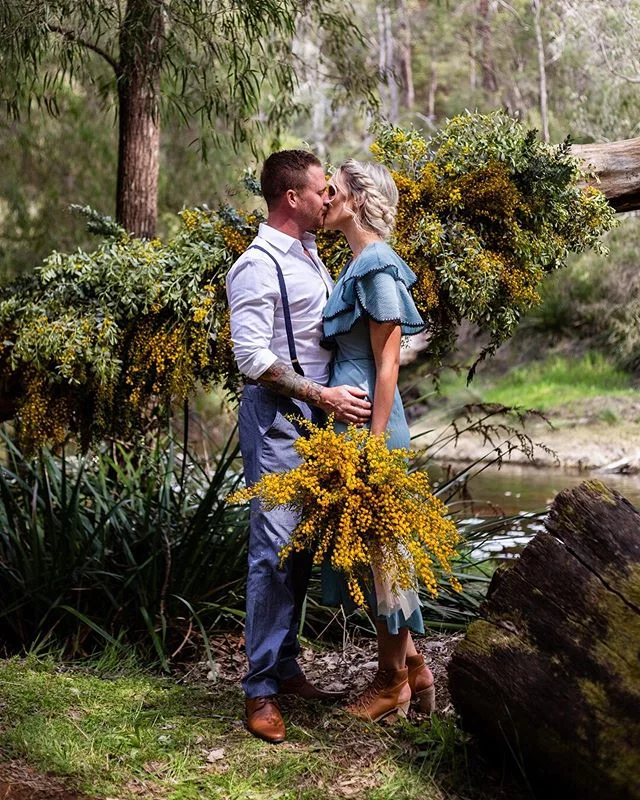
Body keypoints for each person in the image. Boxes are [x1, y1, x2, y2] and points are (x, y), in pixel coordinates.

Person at [226, 150, 372, 744]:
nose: (328, 197)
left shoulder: (311, 253)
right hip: (278, 417)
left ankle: (285, 669)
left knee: (302, 546)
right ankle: (259, 690)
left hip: (317, 414)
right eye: (320, 190)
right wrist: (322, 394)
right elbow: (251, 357)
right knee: (273, 549)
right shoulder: (256, 265)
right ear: (293, 198)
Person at [321, 159, 435, 722]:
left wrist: (370, 442)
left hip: (371, 423)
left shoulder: (377, 265)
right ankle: (414, 669)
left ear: (358, 200)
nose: (323, 198)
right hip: (352, 421)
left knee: (383, 549)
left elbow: (388, 363)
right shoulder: (355, 263)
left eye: (332, 190)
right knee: (372, 549)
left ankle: (391, 682)